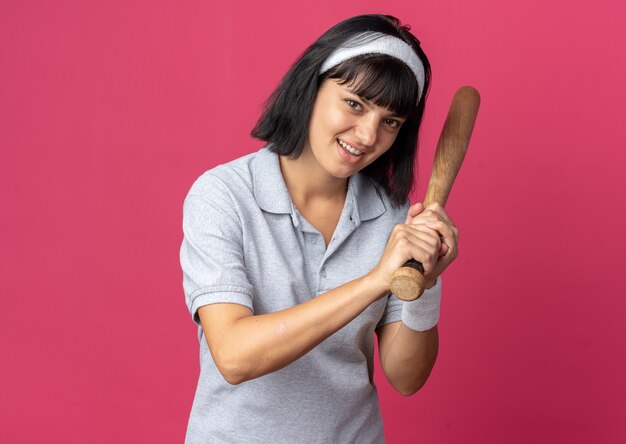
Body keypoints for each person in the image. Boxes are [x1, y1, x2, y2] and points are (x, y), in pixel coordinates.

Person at [180, 13, 459, 443]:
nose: (367, 135)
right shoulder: (223, 195)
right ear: (312, 86)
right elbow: (234, 356)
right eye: (354, 103)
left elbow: (406, 378)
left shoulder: (393, 216)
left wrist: (425, 283)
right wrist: (375, 281)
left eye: (391, 122)